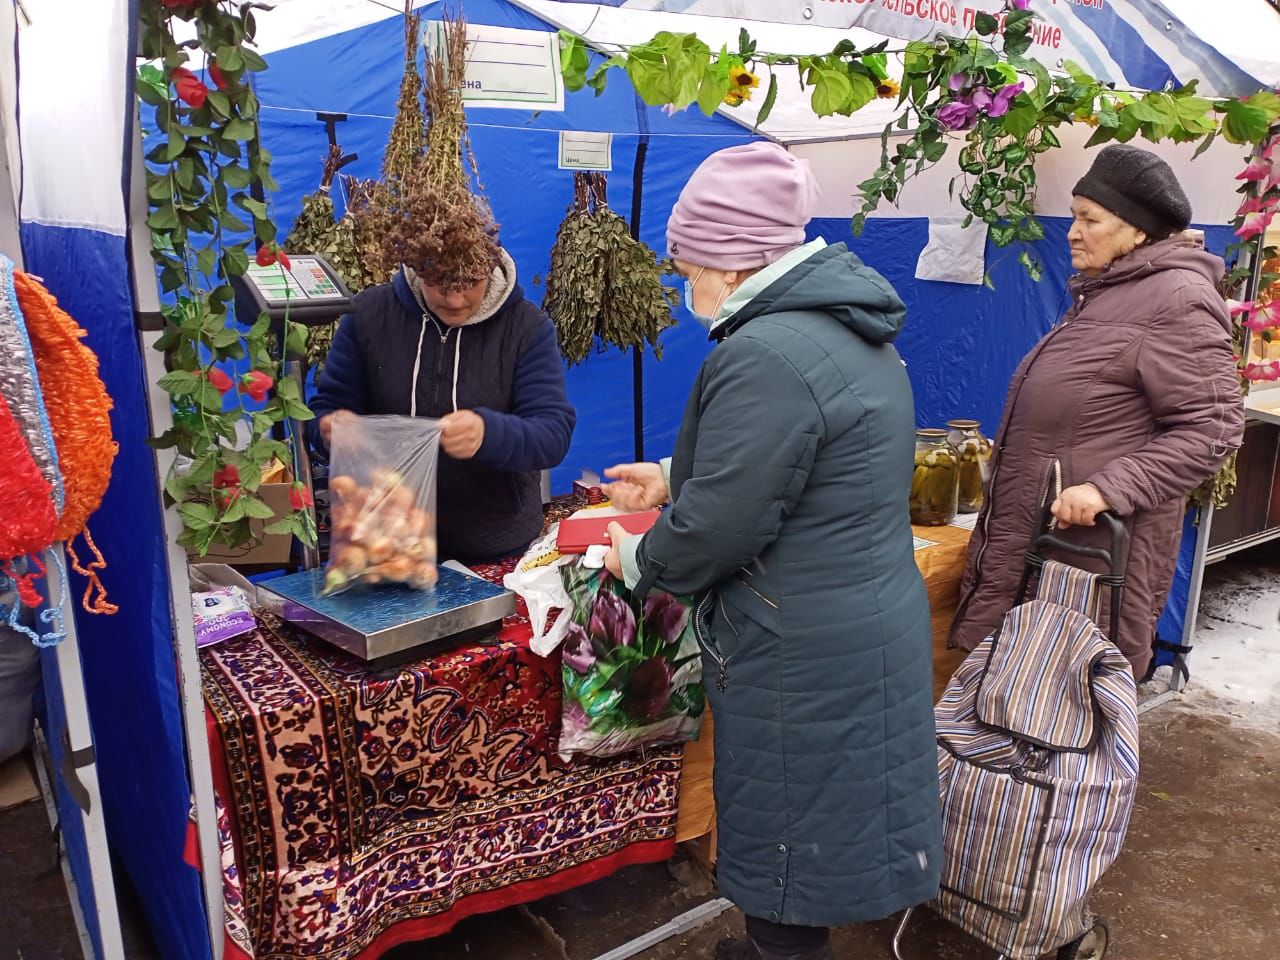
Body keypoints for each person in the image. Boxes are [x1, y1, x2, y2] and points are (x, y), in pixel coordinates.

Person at [601, 142, 942, 960]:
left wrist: (637, 561)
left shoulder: (765, 352)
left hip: (799, 646)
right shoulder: (844, 328)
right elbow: (808, 457)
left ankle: (778, 951)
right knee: (826, 817)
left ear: (733, 258)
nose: (689, 283)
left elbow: (722, 528)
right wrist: (676, 476)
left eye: (689, 264)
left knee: (791, 826)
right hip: (857, 617)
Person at [949, 144, 1246, 679]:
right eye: (1073, 216)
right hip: (1042, 541)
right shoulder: (1107, 294)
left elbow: (1213, 426)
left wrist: (1109, 489)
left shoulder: (1177, 297)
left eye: (1090, 218)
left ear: (1137, 231)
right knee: (1018, 704)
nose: (1073, 231)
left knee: (1063, 712)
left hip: (1089, 558)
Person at [309, 221, 576, 564]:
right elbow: (323, 411)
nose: (453, 299)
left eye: (468, 283)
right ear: (416, 267)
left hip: (493, 546)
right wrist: (331, 429)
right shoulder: (369, 315)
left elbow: (552, 434)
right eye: (438, 282)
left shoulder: (526, 329)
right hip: (386, 544)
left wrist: (488, 434)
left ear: (491, 265)